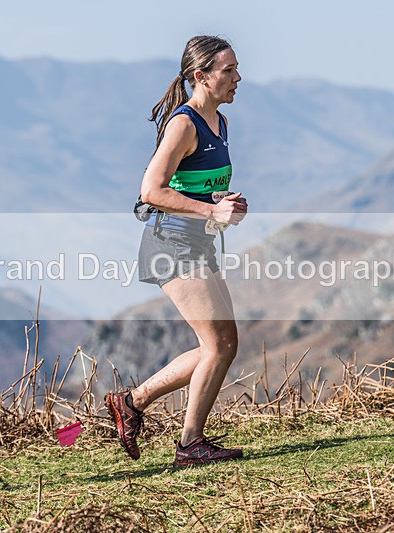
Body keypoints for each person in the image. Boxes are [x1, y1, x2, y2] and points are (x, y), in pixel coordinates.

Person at [105, 35, 247, 467]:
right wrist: (211, 210)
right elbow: (151, 190)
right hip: (171, 245)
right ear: (200, 77)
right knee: (219, 345)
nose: (238, 78)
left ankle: (132, 402)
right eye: (228, 70)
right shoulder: (184, 124)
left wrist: (226, 206)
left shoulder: (220, 122)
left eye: (237, 69)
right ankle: (189, 445)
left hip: (196, 242)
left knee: (222, 344)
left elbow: (199, 187)